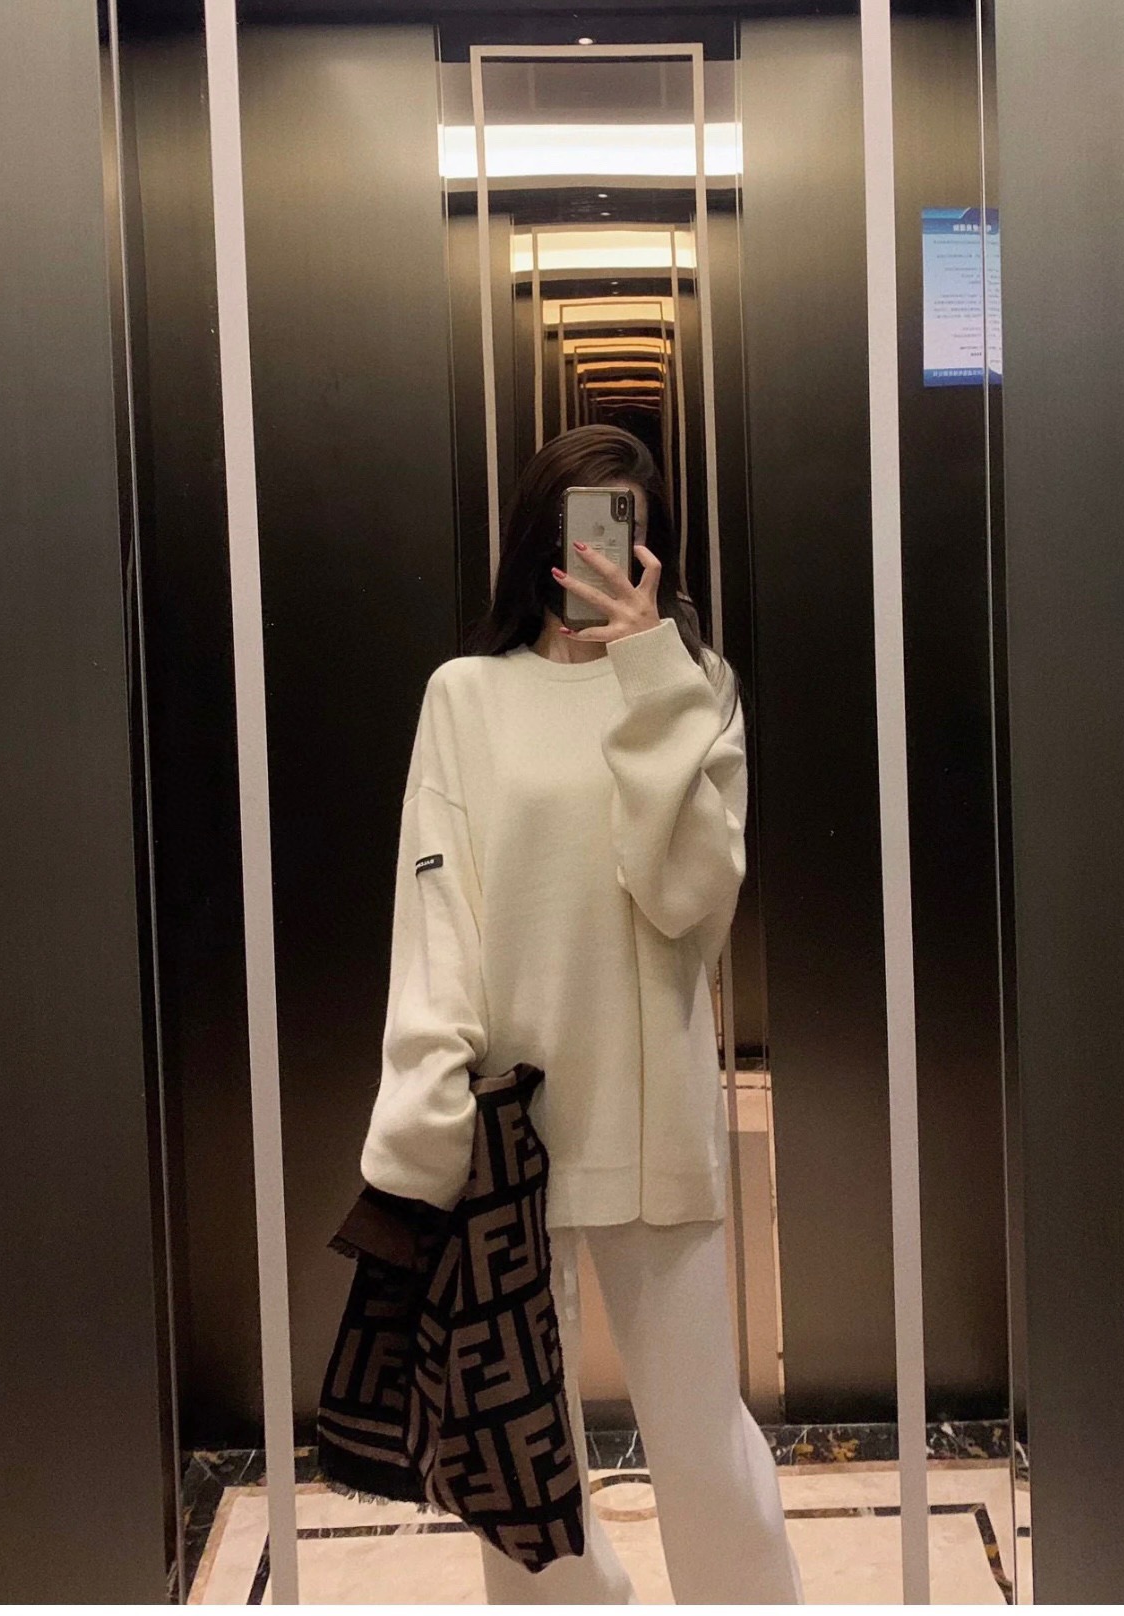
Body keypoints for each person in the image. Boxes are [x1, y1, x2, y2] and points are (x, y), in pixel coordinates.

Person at [358, 424, 803, 1604]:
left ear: (653, 548)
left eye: (625, 526)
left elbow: (688, 896)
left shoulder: (694, 691)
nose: (601, 551)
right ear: (538, 537)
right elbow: (439, 910)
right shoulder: (466, 696)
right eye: (581, 523)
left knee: (706, 1450)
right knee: (521, 1467)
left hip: (652, 1122)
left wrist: (652, 672)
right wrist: (424, 1109)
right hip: (508, 1132)